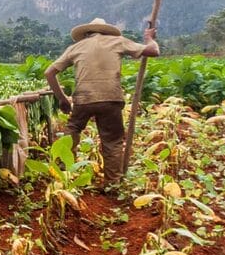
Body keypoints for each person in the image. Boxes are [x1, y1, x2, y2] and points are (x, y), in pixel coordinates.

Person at [44, 17, 159, 187]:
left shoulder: (76, 47)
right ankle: (112, 184)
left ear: (87, 33)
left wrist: (62, 99)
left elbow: (49, 73)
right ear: (105, 31)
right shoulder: (117, 41)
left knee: (72, 130)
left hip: (83, 99)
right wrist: (149, 38)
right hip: (111, 99)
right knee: (112, 141)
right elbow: (153, 51)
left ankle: (63, 174)